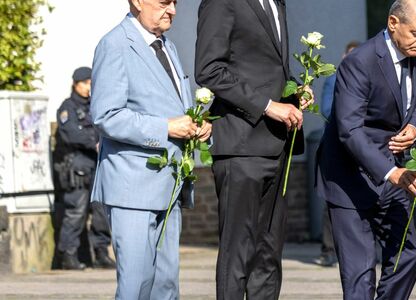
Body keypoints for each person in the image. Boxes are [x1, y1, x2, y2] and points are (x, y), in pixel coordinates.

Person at [90, 0, 211, 298]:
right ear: (137, 1)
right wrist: (166, 128)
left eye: (175, 3)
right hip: (132, 187)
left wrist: (196, 123)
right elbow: (107, 116)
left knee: (166, 287)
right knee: (137, 286)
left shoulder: (166, 45)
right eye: (163, 2)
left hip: (169, 186)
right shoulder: (115, 44)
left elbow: (170, 104)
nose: (172, 10)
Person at [195, 0, 314, 298]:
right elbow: (209, 69)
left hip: (277, 145)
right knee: (238, 255)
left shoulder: (278, 3)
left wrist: (294, 89)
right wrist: (267, 105)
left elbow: (265, 70)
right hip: (241, 146)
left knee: (268, 257)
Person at [315, 0, 416, 298]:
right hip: (349, 177)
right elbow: (349, 129)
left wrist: (413, 127)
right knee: (360, 273)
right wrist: (390, 171)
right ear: (393, 23)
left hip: (393, 172)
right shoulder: (359, 62)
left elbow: (412, 102)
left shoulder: (415, 52)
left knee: (408, 256)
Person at [53, 67, 114, 270]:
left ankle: (102, 254)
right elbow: (70, 134)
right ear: (75, 84)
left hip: (97, 167)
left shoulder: (96, 107)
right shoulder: (67, 107)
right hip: (77, 169)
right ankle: (68, 256)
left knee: (101, 213)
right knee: (76, 214)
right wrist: (93, 143)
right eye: (85, 83)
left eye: (91, 83)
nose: (89, 87)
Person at [313, 40, 359, 268]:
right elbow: (327, 110)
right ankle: (328, 249)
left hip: (360, 148)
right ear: (343, 57)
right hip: (337, 147)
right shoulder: (333, 79)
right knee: (331, 199)